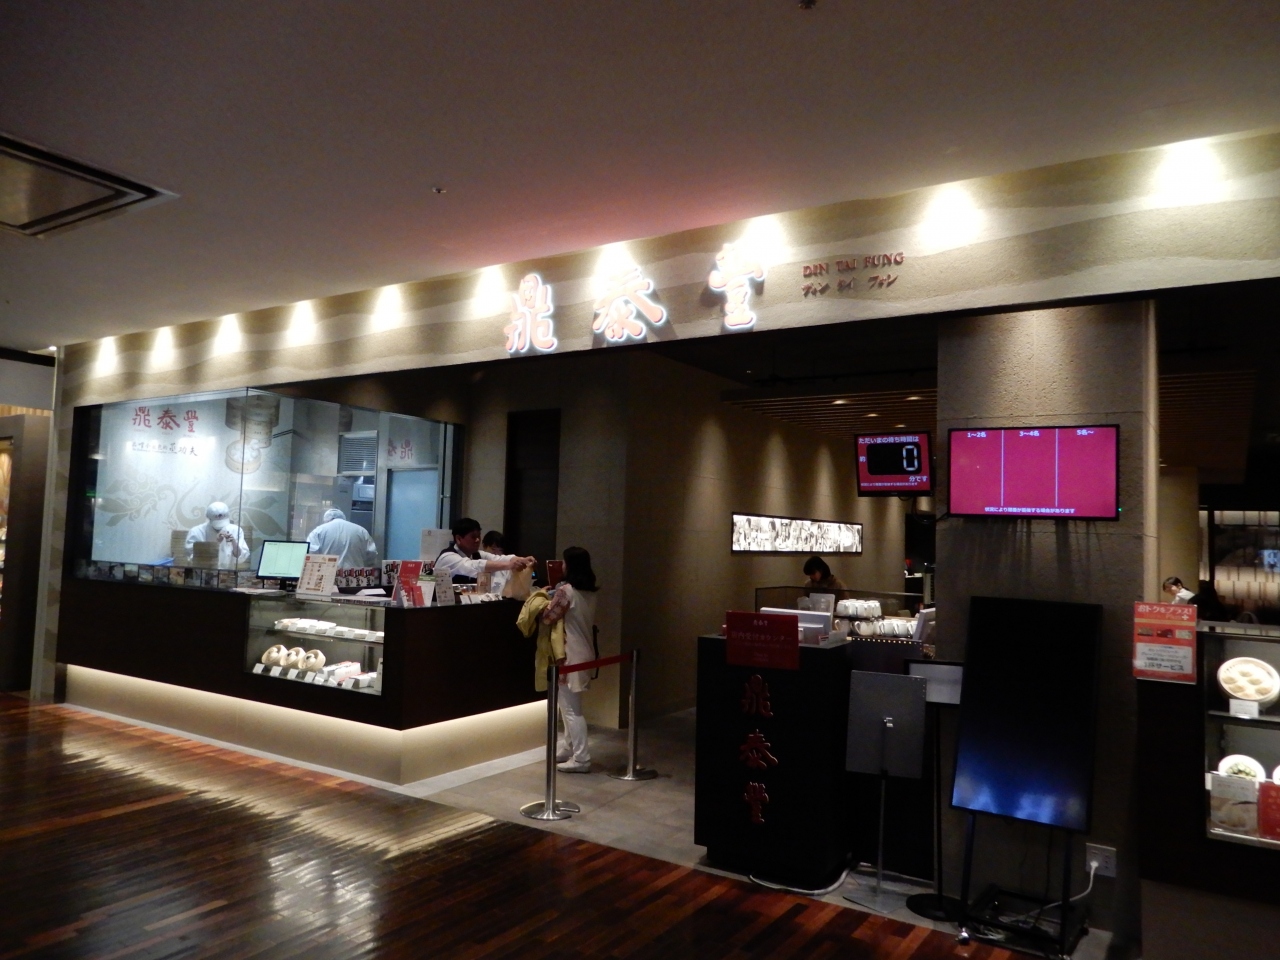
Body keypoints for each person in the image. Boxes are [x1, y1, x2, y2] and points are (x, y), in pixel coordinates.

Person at [540, 546, 600, 773]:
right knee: (568, 706)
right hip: (585, 651)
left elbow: (548, 617)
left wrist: (543, 597)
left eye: (564, 562)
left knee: (571, 709)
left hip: (569, 655)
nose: (562, 566)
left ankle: (581, 758)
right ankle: (569, 747)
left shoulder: (566, 591)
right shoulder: (590, 592)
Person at [433, 517, 532, 584]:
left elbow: (500, 558)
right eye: (473, 537)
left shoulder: (477, 554)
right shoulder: (447, 557)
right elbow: (474, 566)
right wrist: (509, 565)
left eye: (479, 536)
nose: (477, 540)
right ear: (458, 539)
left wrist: (522, 560)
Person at [305, 508, 378, 568]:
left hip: (328, 576)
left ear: (326, 520)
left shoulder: (318, 531)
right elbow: (371, 555)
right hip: (354, 576)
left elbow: (311, 554)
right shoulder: (361, 531)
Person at [185, 501, 249, 569]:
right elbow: (192, 558)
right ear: (209, 518)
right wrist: (215, 543)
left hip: (227, 572)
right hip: (203, 572)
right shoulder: (196, 532)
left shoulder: (236, 530)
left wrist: (234, 543)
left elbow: (242, 558)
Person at [480, 530, 513, 595]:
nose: (497, 554)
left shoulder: (505, 567)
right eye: (493, 549)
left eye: (500, 550)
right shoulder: (477, 561)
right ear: (484, 546)